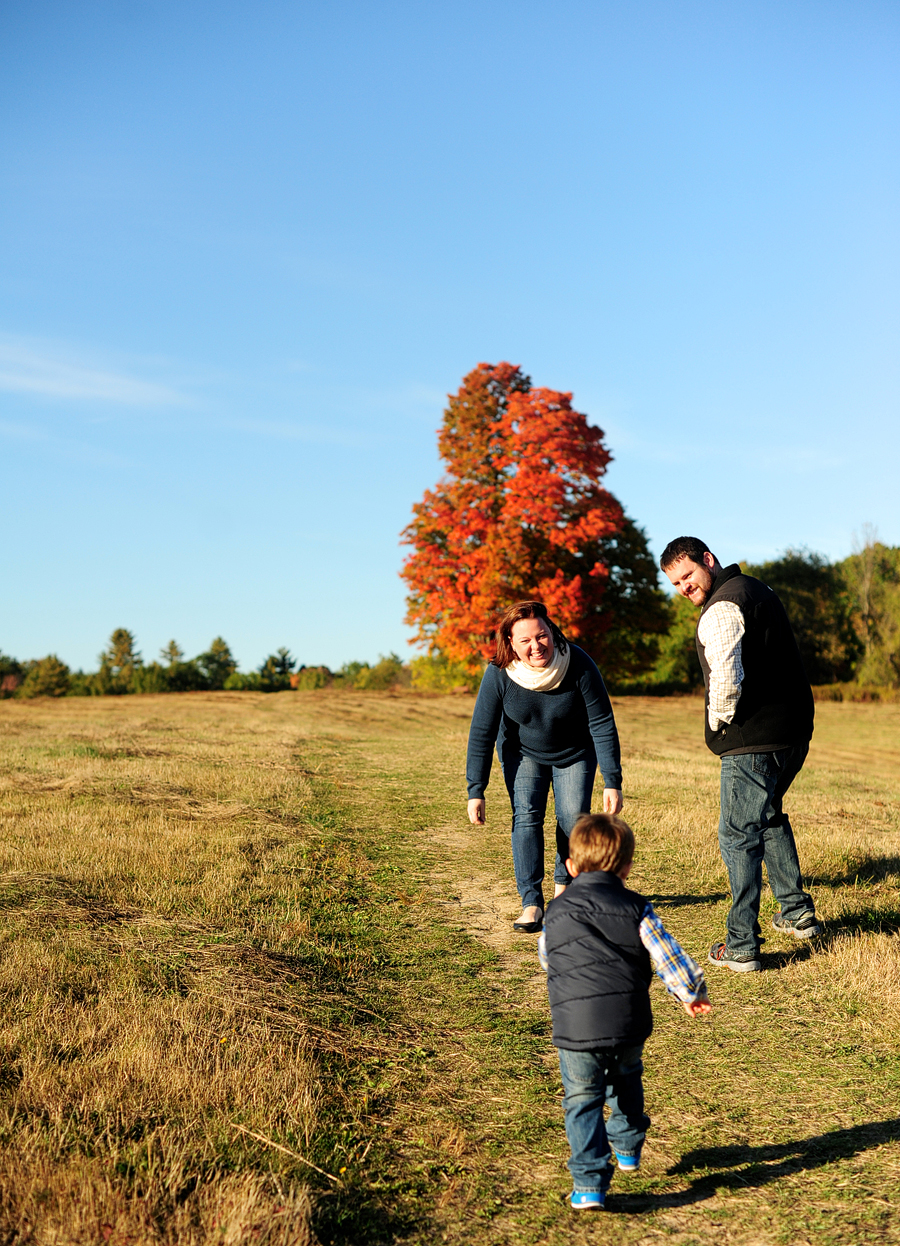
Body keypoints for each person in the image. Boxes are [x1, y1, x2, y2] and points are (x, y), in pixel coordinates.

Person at [660, 536, 820, 972]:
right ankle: (797, 913)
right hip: (792, 733)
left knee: (737, 834)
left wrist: (717, 723)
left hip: (753, 738)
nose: (685, 588)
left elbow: (727, 681)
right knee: (766, 817)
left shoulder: (722, 607)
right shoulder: (756, 588)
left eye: (688, 575)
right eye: (676, 583)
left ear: (707, 560)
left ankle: (742, 944)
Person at [538, 813, 710, 1211]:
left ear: (571, 866)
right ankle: (629, 1147)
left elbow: (549, 959)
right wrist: (689, 992)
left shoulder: (556, 910)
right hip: (628, 1020)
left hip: (575, 1028)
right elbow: (667, 954)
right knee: (626, 1078)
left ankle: (589, 1185)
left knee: (582, 1099)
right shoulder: (637, 908)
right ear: (627, 868)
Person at [466, 601, 623, 934]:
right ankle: (531, 903)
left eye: (542, 636)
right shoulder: (499, 672)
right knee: (526, 816)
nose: (536, 646)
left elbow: (602, 722)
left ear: (552, 631)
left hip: (575, 753)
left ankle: (564, 893)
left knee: (572, 819)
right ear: (510, 643)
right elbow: (482, 729)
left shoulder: (578, 664)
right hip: (523, 753)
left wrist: (613, 779)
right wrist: (475, 790)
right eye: (525, 641)